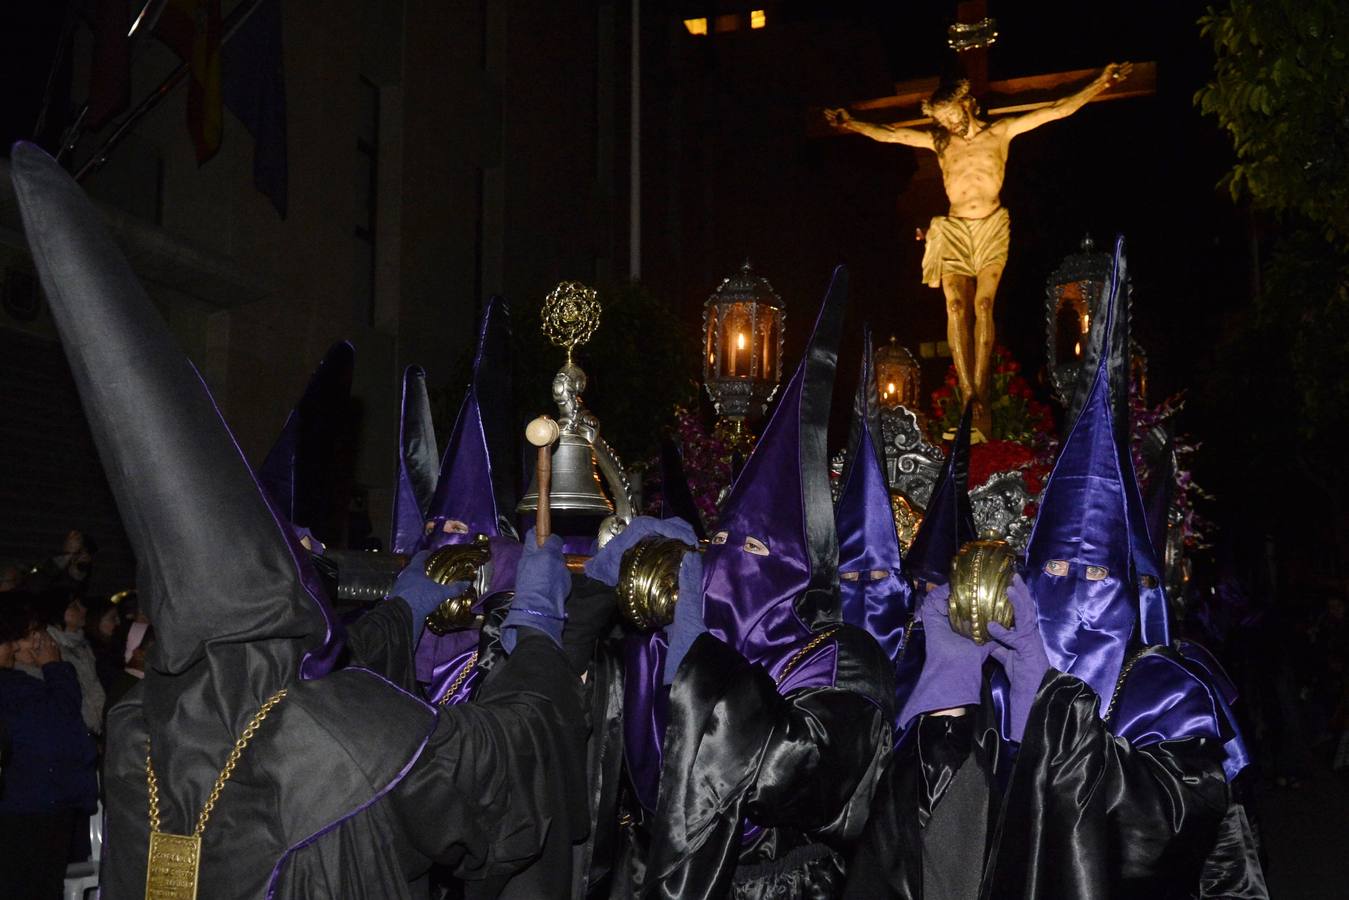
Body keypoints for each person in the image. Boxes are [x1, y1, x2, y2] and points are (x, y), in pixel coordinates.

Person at [12, 140, 590, 899]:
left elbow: (305, 684)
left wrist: (403, 613)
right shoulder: (335, 735)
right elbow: (498, 773)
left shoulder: (137, 733)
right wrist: (544, 629)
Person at [843, 238, 1266, 899]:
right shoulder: (998, 674)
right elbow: (930, 845)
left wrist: (1049, 702)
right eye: (1056, 569)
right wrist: (944, 694)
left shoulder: (1164, 687)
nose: (1075, 589)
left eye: (1095, 577)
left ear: (1133, 589)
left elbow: (1162, 826)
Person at [609, 267, 895, 898]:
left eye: (754, 550)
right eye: (721, 545)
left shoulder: (846, 658)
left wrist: (692, 657)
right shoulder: (671, 635)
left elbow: (784, 773)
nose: (729, 566)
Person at [825, 63, 1132, 435]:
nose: (949, 124)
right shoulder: (940, 143)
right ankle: (968, 391)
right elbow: (893, 134)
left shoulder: (1000, 132)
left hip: (991, 227)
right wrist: (852, 123)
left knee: (983, 305)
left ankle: (982, 388)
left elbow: (1056, 108)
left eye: (952, 115)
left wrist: (1100, 83)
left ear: (967, 104)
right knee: (955, 306)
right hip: (954, 230)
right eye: (942, 119)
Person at [0, 594, 99, 900]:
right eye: (28, 635)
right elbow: (62, 726)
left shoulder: (20, 684)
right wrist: (55, 668)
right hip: (30, 810)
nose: (37, 642)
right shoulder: (16, 689)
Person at [40, 590, 106, 735]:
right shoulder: (49, 647)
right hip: (76, 729)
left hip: (97, 728)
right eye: (74, 606)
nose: (83, 610)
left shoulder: (83, 644)